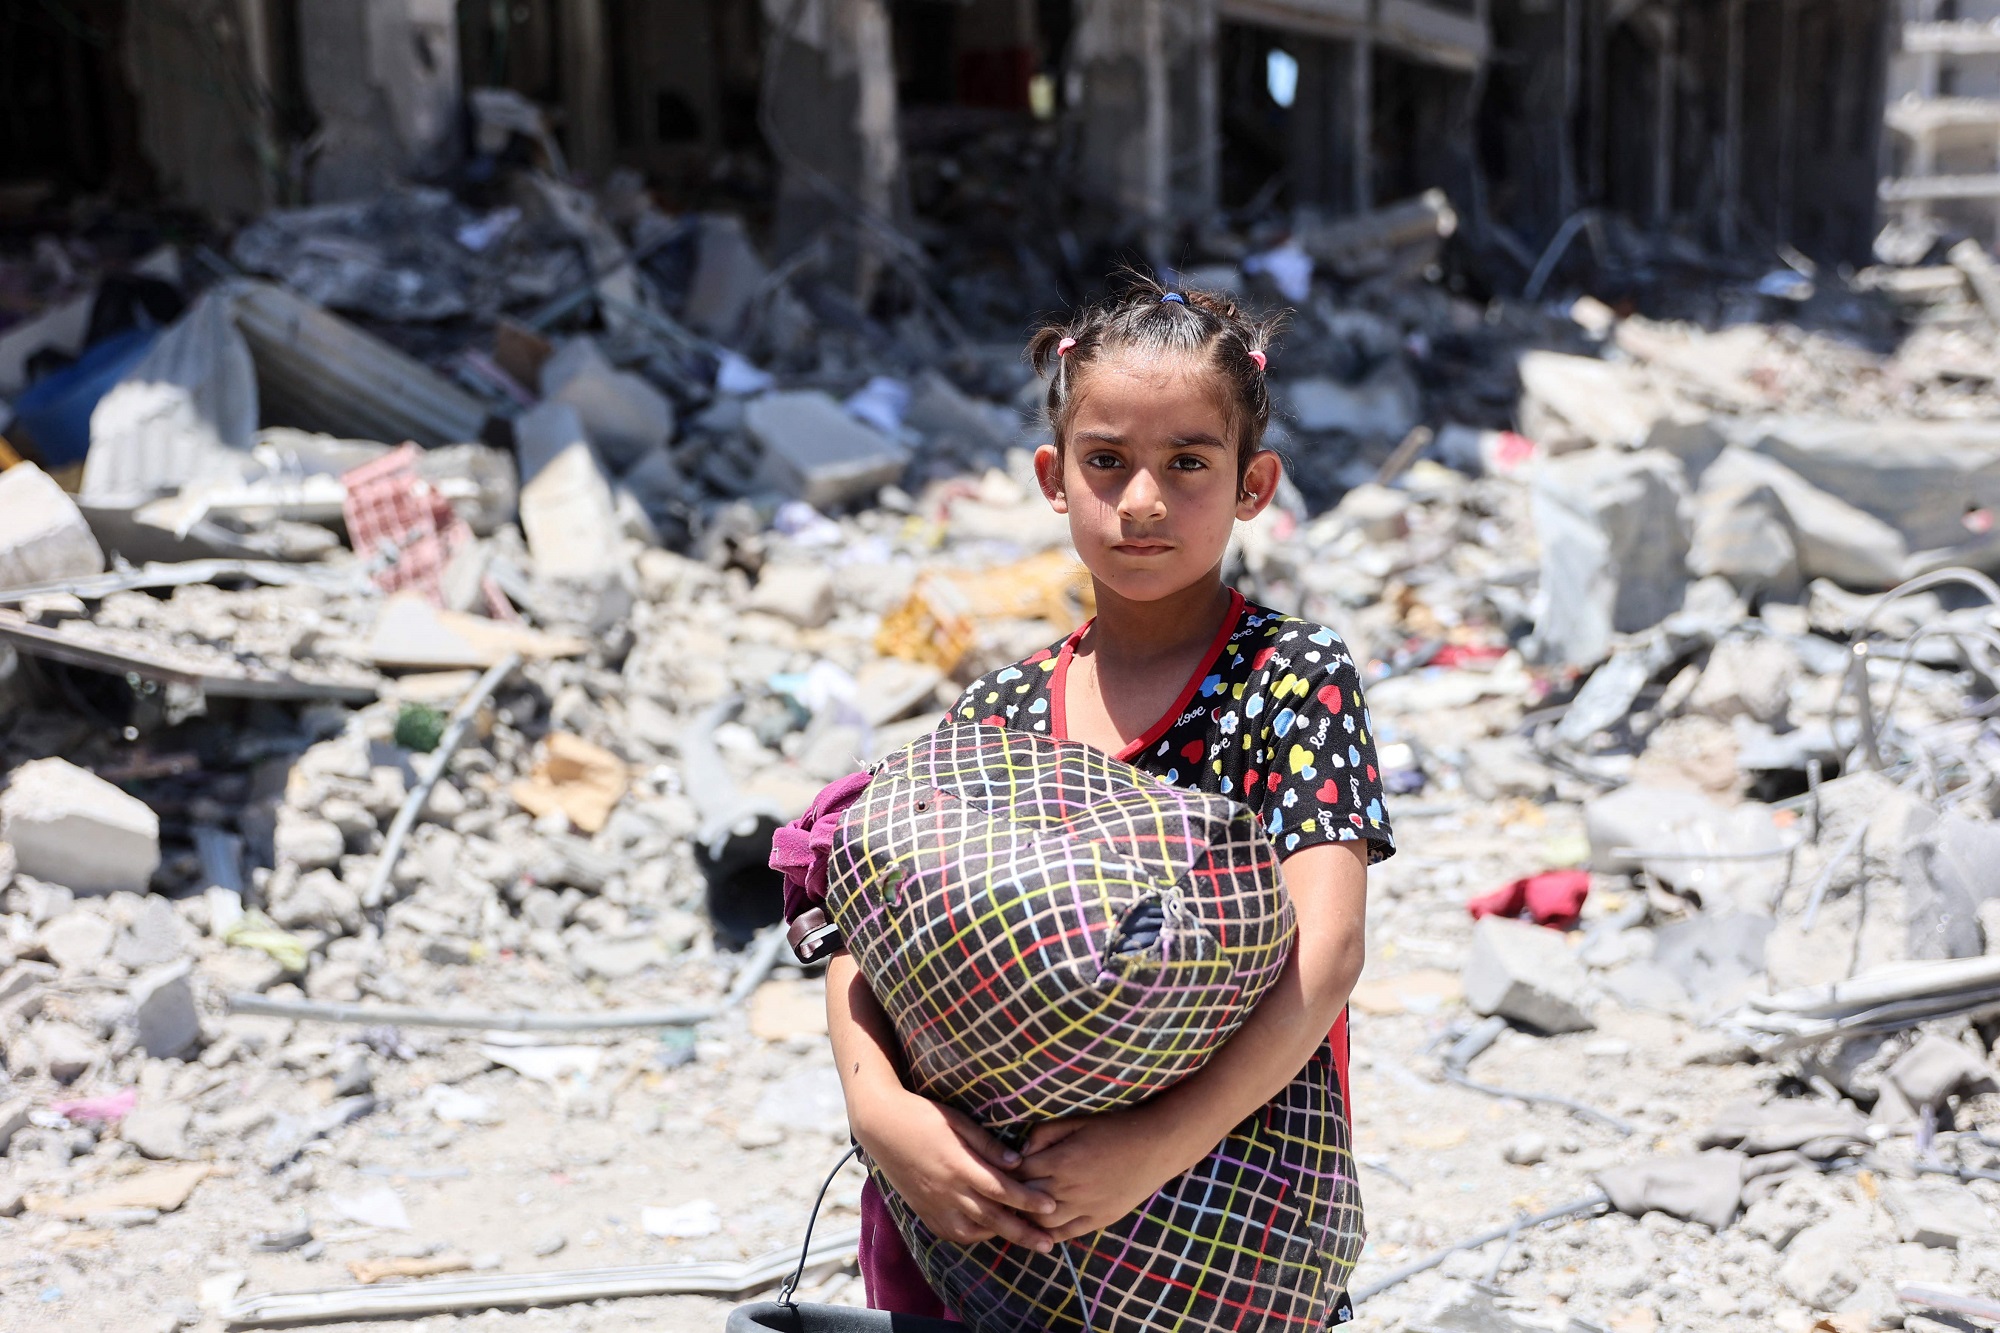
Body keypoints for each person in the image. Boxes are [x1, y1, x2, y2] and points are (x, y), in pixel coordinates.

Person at [823, 280, 1396, 1328]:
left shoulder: (1285, 677)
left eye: (1186, 463)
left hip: (1224, 1200)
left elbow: (1330, 948)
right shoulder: (1000, 708)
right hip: (997, 1209)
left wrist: (1150, 1147)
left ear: (1252, 484)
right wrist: (883, 1113)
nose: (1141, 501)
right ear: (1053, 477)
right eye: (1106, 461)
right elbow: (868, 931)